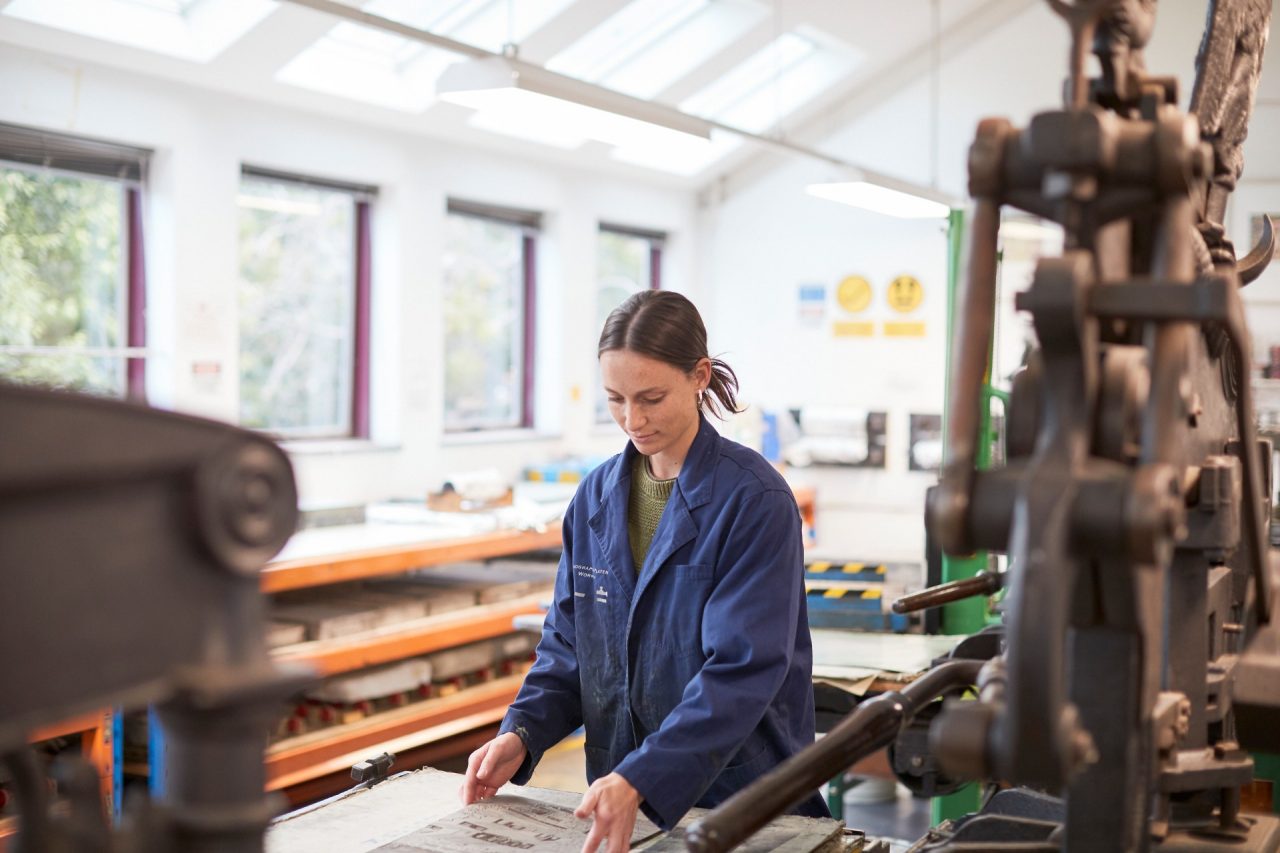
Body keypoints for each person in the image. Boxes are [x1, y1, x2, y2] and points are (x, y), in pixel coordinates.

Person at [460, 290, 829, 851]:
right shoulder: (594, 500)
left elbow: (741, 670)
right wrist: (523, 732)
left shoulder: (754, 500)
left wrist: (645, 776)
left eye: (651, 397)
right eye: (615, 399)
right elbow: (568, 649)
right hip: (617, 794)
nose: (633, 419)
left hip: (743, 800)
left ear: (699, 376)